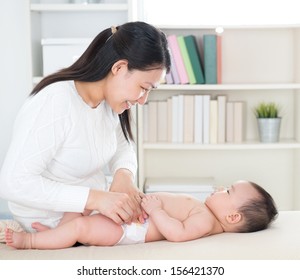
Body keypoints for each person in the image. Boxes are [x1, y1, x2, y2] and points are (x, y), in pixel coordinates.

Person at [0, 21, 171, 233]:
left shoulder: (109, 103)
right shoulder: (56, 102)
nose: (143, 100)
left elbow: (122, 145)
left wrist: (124, 175)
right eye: (144, 88)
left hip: (89, 212)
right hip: (51, 221)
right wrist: (96, 199)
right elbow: (13, 182)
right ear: (118, 67)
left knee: (166, 211)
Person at [5, 180, 278, 249]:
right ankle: (56, 235)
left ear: (232, 217)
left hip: (130, 232)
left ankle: (29, 242)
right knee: (83, 208)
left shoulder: (206, 222)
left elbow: (177, 234)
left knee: (82, 228)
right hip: (134, 219)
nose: (220, 189)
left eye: (227, 191)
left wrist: (157, 210)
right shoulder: (206, 211)